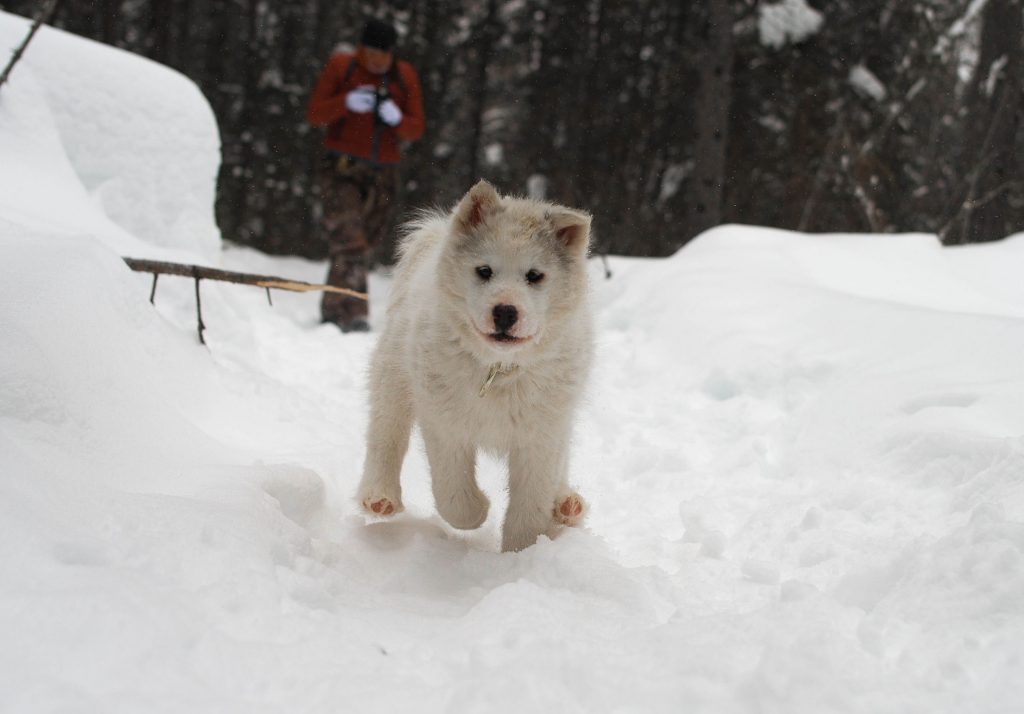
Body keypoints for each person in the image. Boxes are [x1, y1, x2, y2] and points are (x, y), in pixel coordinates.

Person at [306, 19, 425, 331]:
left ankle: (332, 308)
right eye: (371, 53)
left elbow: (416, 128)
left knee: (364, 243)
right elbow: (315, 113)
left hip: (383, 172)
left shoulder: (404, 76)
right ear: (362, 49)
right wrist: (345, 102)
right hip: (341, 167)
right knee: (350, 239)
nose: (376, 61)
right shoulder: (342, 67)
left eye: (383, 55)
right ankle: (355, 313)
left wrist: (396, 118)